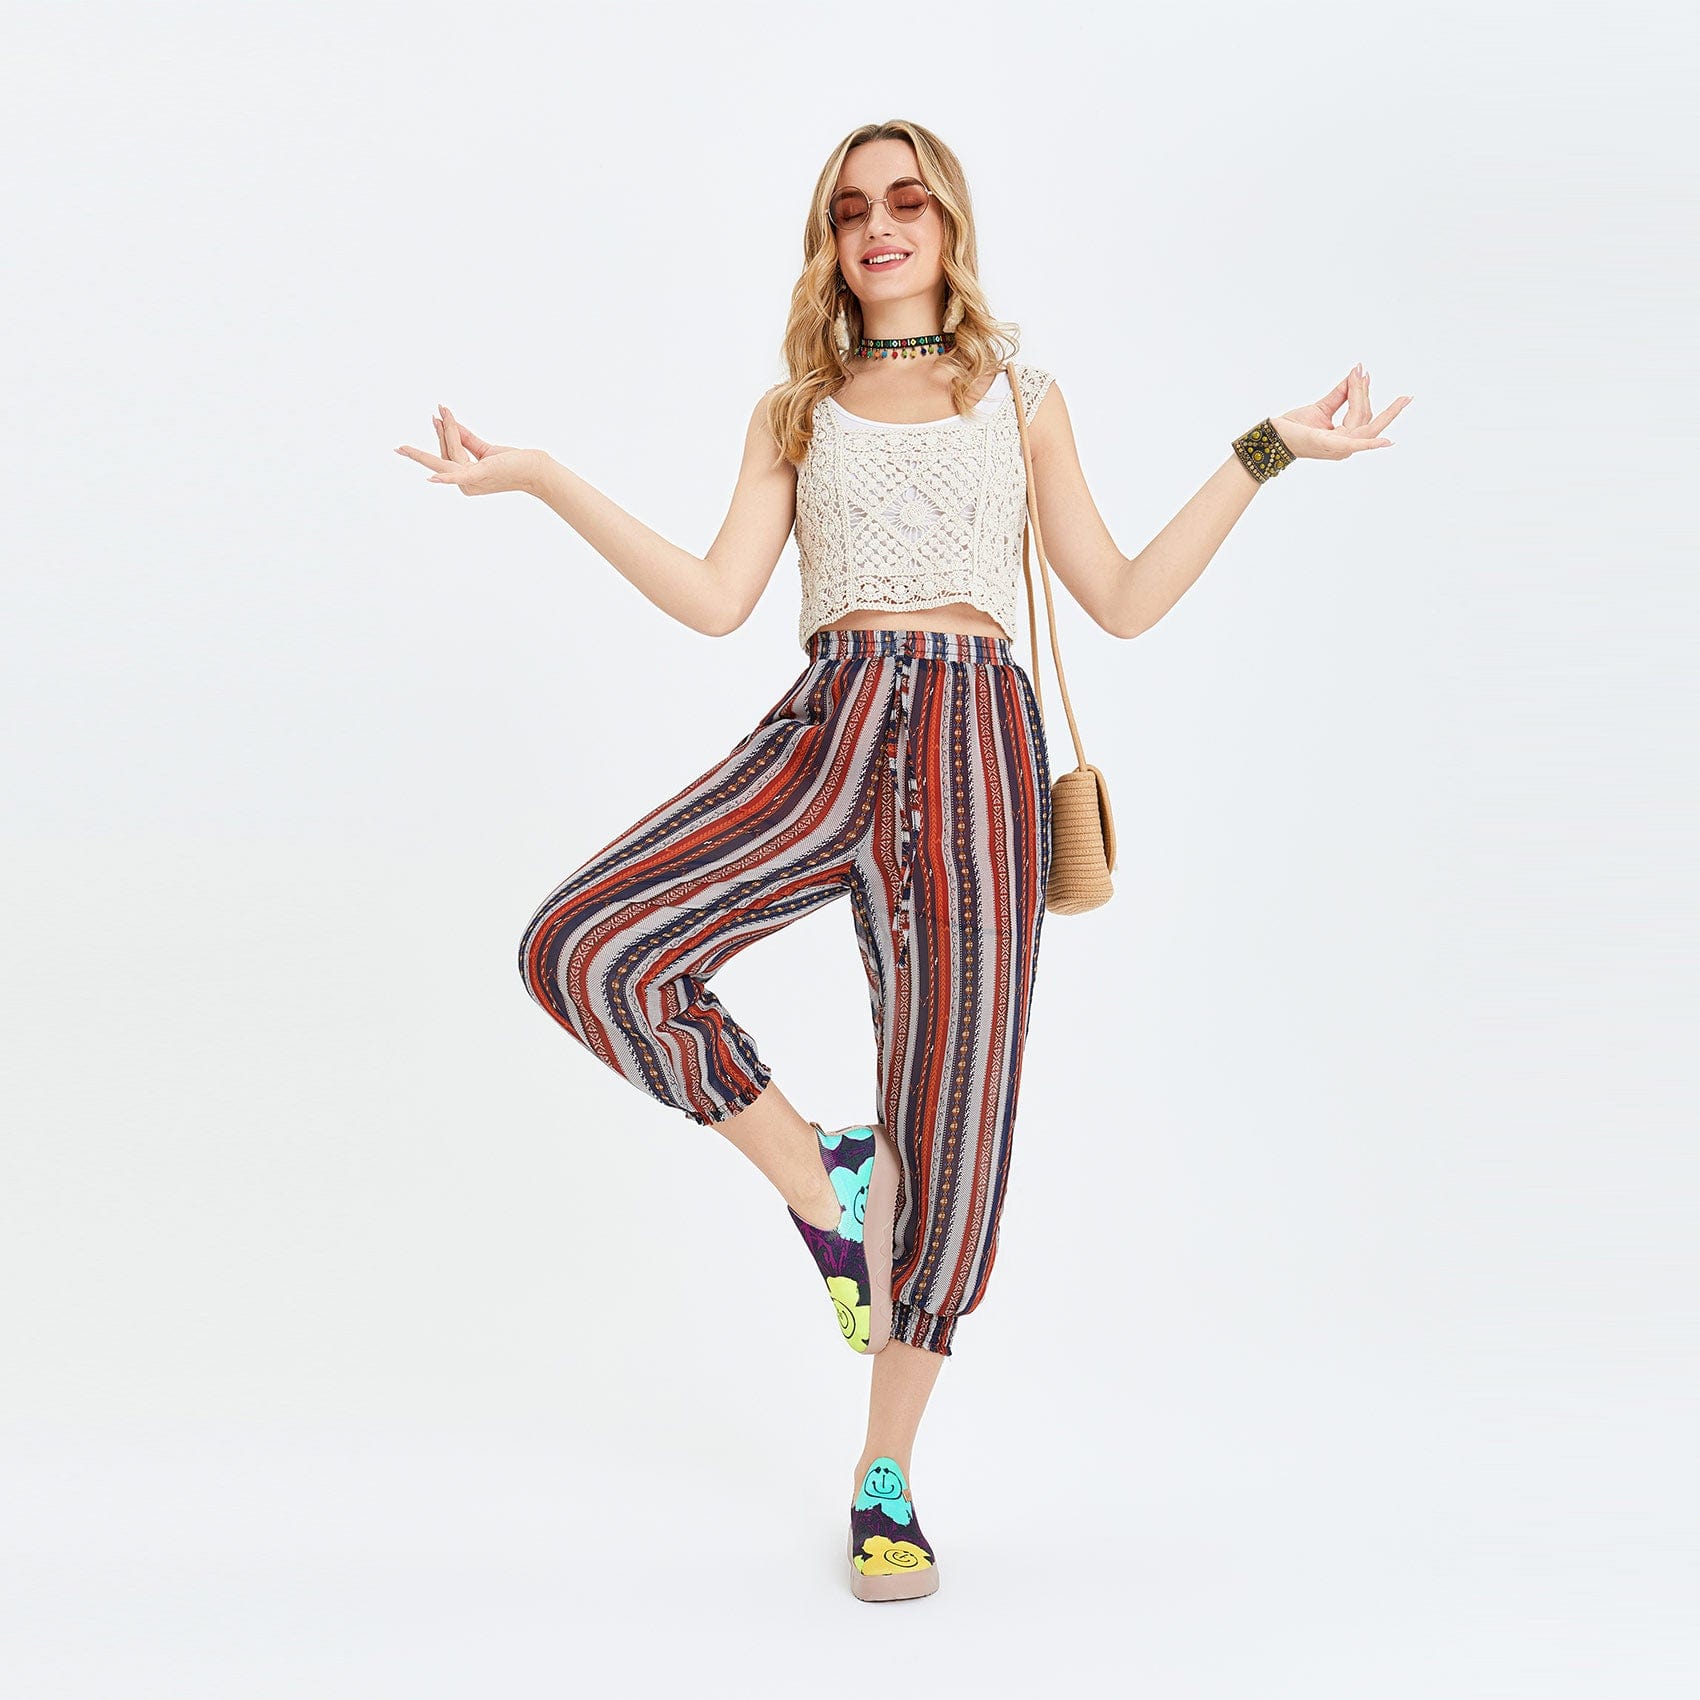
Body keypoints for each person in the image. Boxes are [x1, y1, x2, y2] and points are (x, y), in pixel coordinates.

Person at [393, 118, 1411, 1603]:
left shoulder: (1020, 394)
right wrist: (544, 477)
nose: (880, 225)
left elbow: (1122, 596)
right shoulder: (794, 410)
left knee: (959, 1101)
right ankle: (824, 1174)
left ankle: (887, 1473)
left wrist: (1265, 452)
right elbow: (716, 595)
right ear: (829, 240)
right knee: (584, 944)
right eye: (852, 208)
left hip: (978, 746)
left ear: (948, 228)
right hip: (831, 724)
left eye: (908, 202)